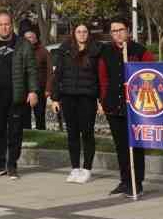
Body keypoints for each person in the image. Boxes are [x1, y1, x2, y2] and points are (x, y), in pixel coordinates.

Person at [0, 12, 39, 179]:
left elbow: (32, 70)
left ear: (12, 25)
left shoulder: (23, 44)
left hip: (17, 95)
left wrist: (33, 91)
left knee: (15, 132)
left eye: (7, 24)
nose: (4, 27)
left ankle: (12, 165)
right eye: (1, 24)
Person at [98, 18, 155, 197]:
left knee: (135, 146)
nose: (117, 34)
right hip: (113, 105)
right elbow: (102, 78)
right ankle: (125, 180)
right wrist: (103, 100)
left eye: (120, 30)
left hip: (135, 106)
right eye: (114, 31)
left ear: (128, 31)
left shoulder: (139, 51)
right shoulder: (106, 52)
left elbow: (152, 72)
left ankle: (137, 182)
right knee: (121, 145)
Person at [48, 22, 100, 184]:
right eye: (79, 31)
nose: (82, 34)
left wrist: (101, 100)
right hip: (68, 97)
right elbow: (58, 75)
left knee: (87, 133)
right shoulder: (65, 50)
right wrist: (55, 98)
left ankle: (87, 168)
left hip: (87, 97)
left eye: (85, 31)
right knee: (72, 134)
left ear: (88, 34)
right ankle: (75, 168)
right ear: (74, 33)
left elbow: (100, 77)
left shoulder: (96, 50)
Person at [22, 25, 51, 130]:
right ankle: (26, 134)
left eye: (30, 37)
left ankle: (41, 134)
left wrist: (48, 88)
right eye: (26, 38)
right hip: (24, 89)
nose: (28, 40)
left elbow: (50, 71)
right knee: (24, 116)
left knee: (40, 116)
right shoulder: (21, 51)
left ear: (36, 38)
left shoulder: (43, 51)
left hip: (40, 89)